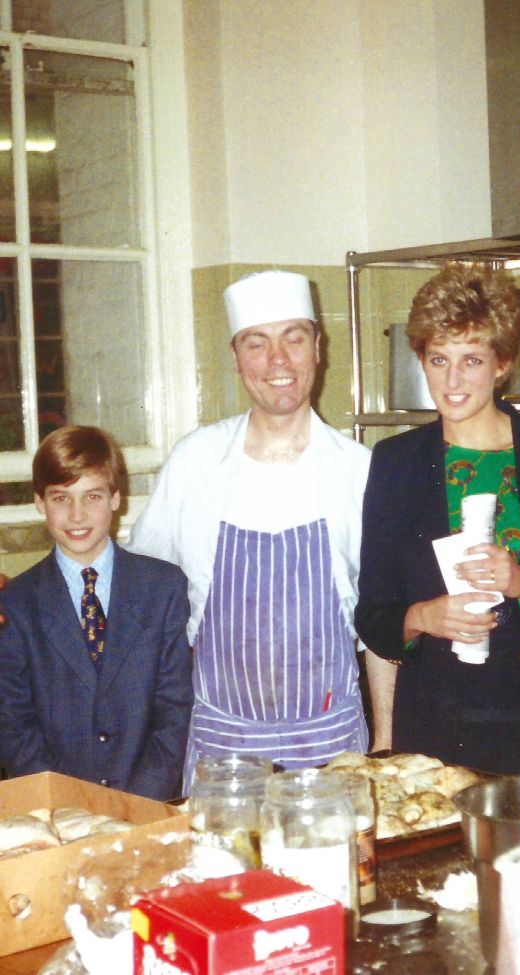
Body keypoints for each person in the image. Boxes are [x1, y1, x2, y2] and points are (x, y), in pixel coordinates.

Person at [355, 263, 520, 774]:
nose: (452, 381)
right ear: (422, 360)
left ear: (502, 363)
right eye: (438, 359)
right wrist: (423, 618)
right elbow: (374, 614)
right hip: (435, 724)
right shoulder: (397, 462)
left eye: (471, 359)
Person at [129, 270, 372, 786]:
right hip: (224, 751)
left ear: (318, 349)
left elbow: (384, 630)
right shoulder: (196, 461)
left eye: (294, 339)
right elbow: (144, 601)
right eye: (256, 344)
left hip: (332, 748)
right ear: (236, 359)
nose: (278, 361)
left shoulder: (359, 470)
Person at [0, 426, 192, 800]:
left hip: (147, 801)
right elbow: (13, 723)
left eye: (92, 496)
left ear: (116, 498)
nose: (77, 515)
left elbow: (173, 711)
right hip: (58, 806)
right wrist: (69, 804)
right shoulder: (16, 604)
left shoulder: (163, 588)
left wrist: (133, 804)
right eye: (61, 498)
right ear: (40, 502)